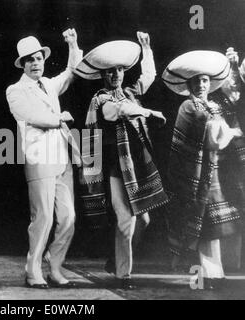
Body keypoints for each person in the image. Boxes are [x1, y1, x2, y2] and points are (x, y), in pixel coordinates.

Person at [76, 32, 168, 289]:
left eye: (119, 70)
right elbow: (118, 111)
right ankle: (122, 275)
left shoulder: (129, 91)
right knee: (127, 219)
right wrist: (149, 111)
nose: (115, 74)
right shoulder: (101, 99)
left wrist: (146, 49)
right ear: (102, 75)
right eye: (110, 71)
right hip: (116, 169)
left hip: (135, 167)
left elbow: (148, 77)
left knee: (144, 220)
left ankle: (116, 261)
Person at [6, 29, 83, 289]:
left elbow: (71, 72)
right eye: (30, 60)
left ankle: (56, 266)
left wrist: (73, 44)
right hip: (39, 157)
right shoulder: (15, 90)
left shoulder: (49, 84)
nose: (35, 63)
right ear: (23, 64)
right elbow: (30, 115)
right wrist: (59, 118)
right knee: (43, 218)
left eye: (38, 58)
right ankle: (33, 269)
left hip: (61, 155)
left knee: (69, 216)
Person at [162, 48, 244, 290]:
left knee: (212, 226)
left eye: (205, 80)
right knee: (203, 225)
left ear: (210, 83)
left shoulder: (216, 105)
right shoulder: (188, 107)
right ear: (189, 84)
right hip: (194, 176)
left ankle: (214, 274)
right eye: (196, 80)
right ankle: (208, 275)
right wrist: (232, 131)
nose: (201, 84)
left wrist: (234, 65)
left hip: (213, 172)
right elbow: (212, 135)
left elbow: (234, 102)